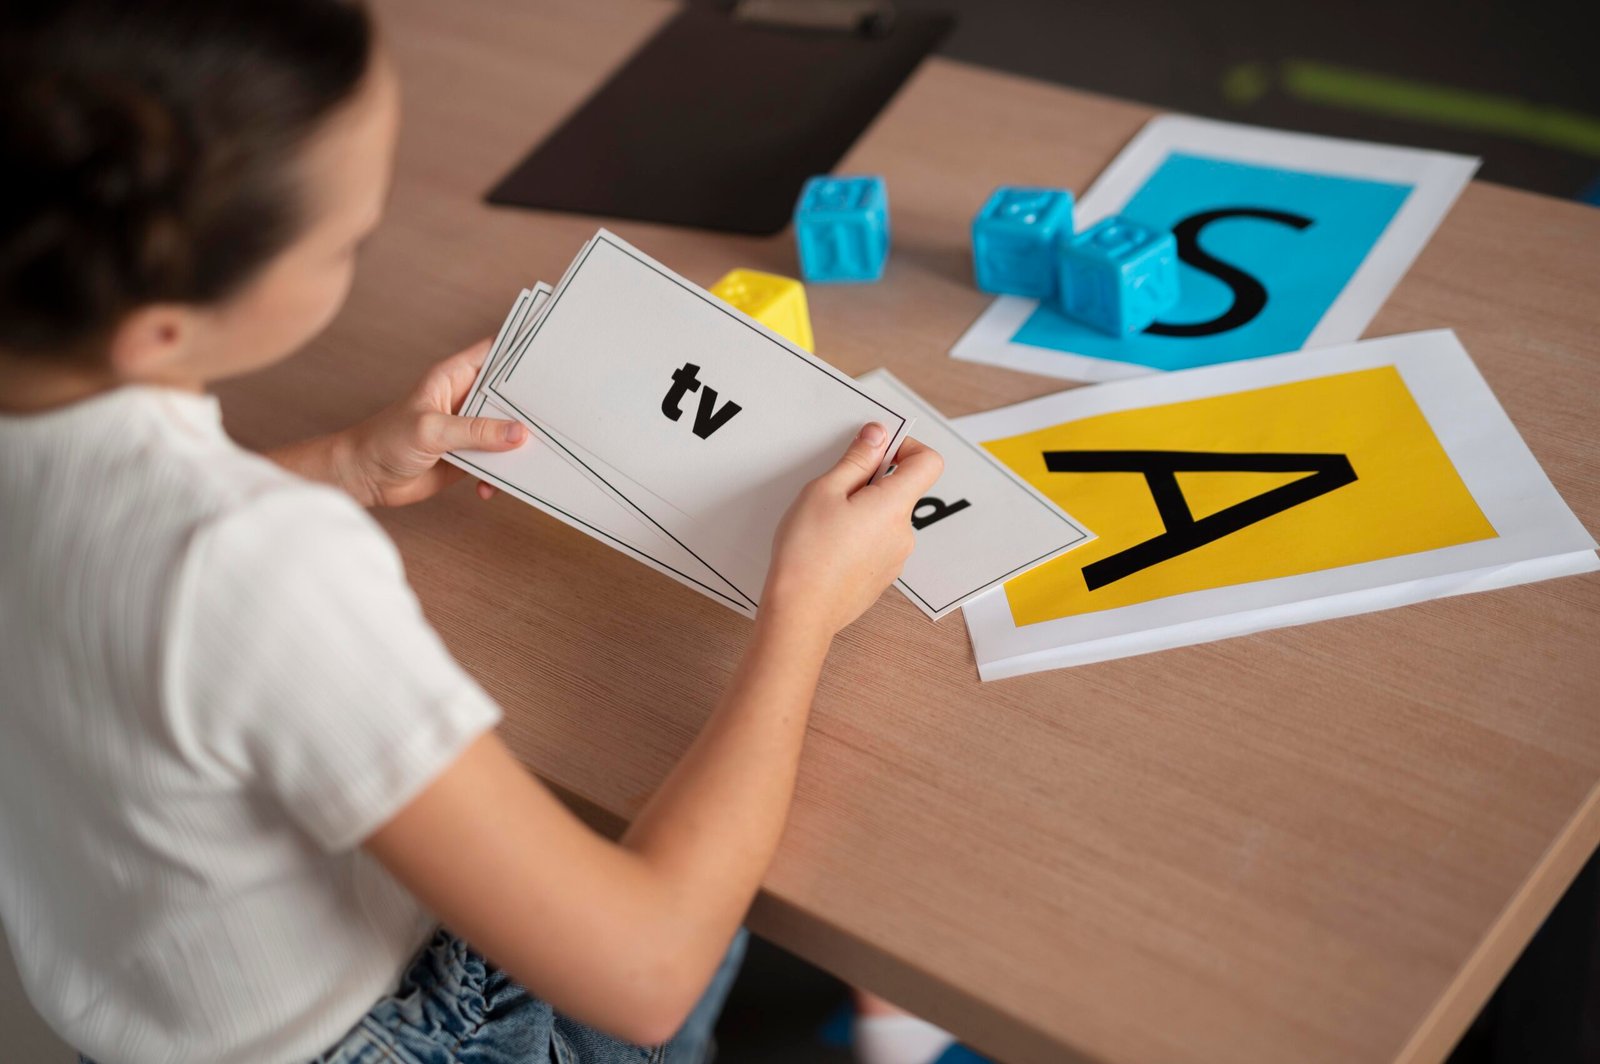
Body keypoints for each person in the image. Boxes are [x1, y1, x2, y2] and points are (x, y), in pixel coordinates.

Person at [0, 2, 943, 1062]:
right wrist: (802, 607)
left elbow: (95, 546)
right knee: (673, 804)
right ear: (160, 331)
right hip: (404, 1030)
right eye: (349, 242)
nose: (363, 246)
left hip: (148, 1010)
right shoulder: (256, 564)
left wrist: (336, 462)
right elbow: (645, 972)